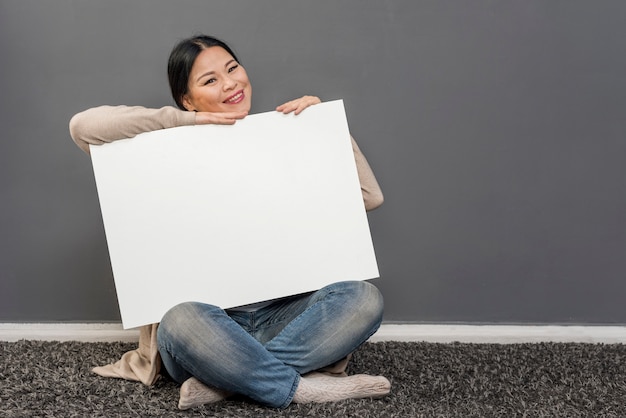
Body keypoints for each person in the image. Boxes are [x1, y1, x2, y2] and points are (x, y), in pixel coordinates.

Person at [69, 34, 388, 410]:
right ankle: (300, 387)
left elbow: (369, 196)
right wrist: (181, 121)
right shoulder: (163, 149)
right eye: (210, 80)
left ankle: (225, 384)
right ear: (187, 99)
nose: (231, 83)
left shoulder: (281, 141)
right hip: (208, 326)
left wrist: (325, 130)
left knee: (363, 298)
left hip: (284, 316)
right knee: (179, 320)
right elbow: (82, 126)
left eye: (232, 68)